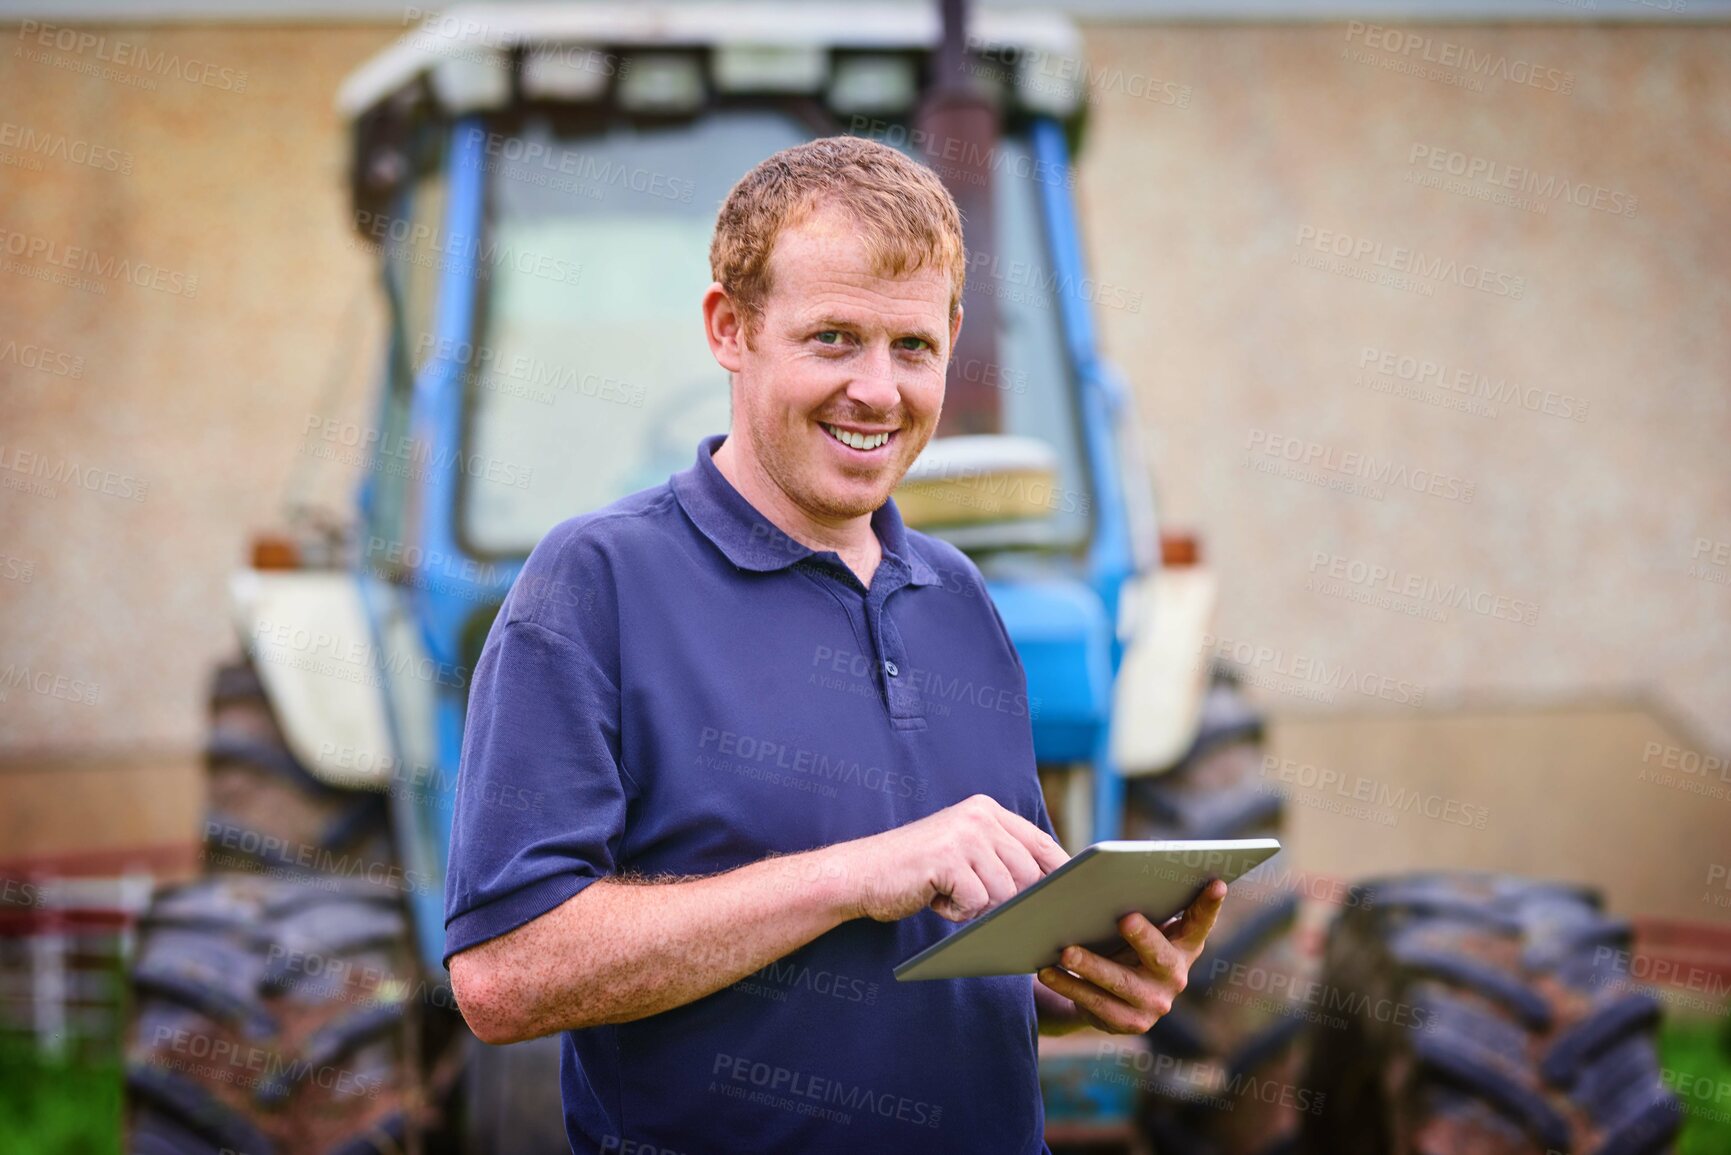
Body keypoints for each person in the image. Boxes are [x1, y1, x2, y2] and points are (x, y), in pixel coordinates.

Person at [444, 134, 1226, 1155]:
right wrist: (852, 874)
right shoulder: (595, 585)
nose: (878, 390)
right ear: (731, 327)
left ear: (952, 337)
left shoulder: (958, 598)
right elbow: (503, 977)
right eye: (832, 339)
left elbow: (953, 965)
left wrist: (1090, 977)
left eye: (912, 348)